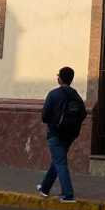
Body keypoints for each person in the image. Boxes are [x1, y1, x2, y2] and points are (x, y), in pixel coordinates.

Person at [38, 67, 87, 202]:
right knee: (58, 160)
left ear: (60, 78)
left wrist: (54, 123)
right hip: (71, 134)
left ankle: (68, 194)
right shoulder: (75, 95)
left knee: (60, 161)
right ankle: (44, 188)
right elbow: (83, 113)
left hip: (55, 133)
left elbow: (44, 116)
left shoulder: (54, 94)